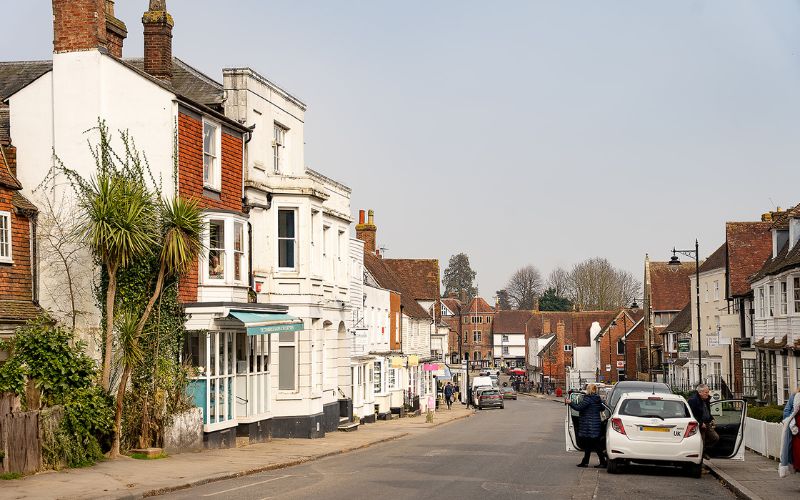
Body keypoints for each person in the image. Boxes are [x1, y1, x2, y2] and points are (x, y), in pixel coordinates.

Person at [566, 383, 607, 468]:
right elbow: (602, 408)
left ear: (589, 390)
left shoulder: (588, 399)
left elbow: (579, 408)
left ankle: (602, 462)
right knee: (589, 444)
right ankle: (585, 462)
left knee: (595, 445)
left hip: (588, 425)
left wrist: (570, 402)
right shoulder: (597, 398)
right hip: (595, 425)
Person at [688, 384, 719, 458]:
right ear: (700, 392)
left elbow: (707, 411)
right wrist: (701, 423)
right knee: (702, 441)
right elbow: (691, 414)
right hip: (699, 424)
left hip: (707, 423)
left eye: (708, 392)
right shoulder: (693, 400)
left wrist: (711, 419)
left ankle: (704, 450)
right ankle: (701, 457)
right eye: (706, 392)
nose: (708, 394)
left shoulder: (706, 399)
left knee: (715, 438)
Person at [779, 388, 800, 477]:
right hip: (796, 431)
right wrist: (792, 425)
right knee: (797, 456)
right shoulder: (795, 396)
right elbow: (787, 411)